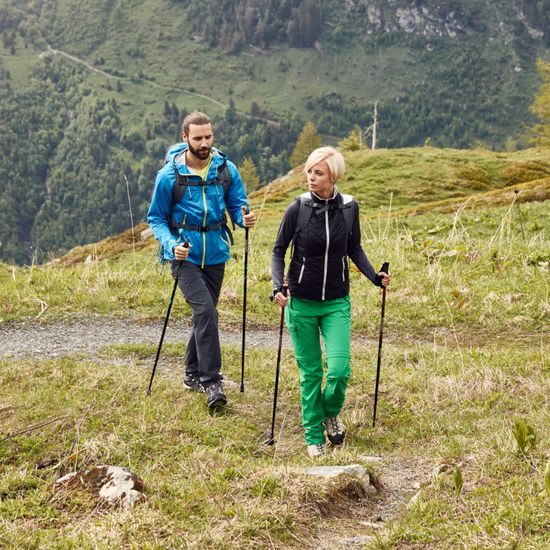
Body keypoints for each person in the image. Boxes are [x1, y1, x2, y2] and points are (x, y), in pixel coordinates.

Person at [271, 146, 391, 457]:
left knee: (339, 370)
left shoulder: (350, 208)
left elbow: (355, 248)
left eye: (318, 172)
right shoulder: (297, 209)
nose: (311, 177)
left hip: (337, 301)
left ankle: (330, 411)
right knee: (311, 372)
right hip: (301, 303)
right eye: (309, 171)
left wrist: (374, 277)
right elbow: (277, 250)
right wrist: (277, 287)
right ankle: (314, 437)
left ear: (333, 176)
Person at [148, 111, 256, 411]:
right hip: (185, 255)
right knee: (207, 312)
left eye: (208, 136)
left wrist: (243, 217)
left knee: (204, 315)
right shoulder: (169, 175)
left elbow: (236, 204)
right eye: (198, 138)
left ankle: (191, 374)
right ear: (185, 138)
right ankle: (212, 382)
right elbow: (155, 218)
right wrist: (172, 245)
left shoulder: (225, 169)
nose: (205, 142)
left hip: (217, 253)